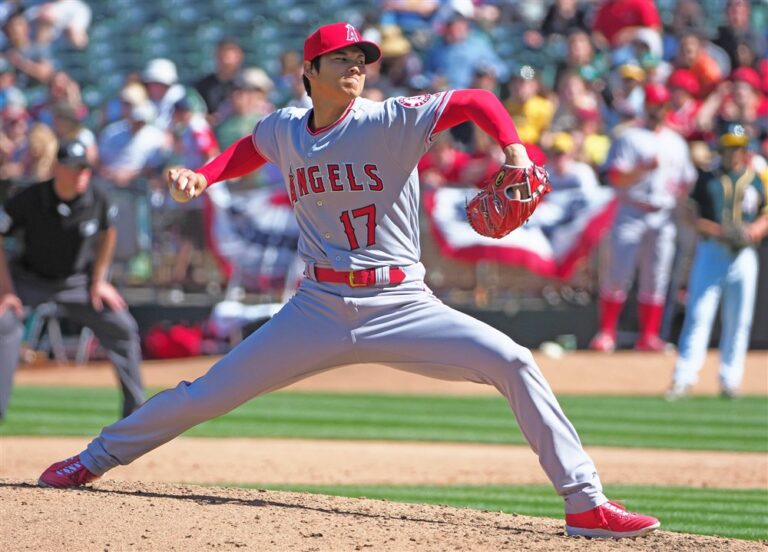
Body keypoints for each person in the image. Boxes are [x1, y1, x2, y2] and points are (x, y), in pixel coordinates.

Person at [37, 22, 660, 540]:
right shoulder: (286, 126)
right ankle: (91, 460)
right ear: (310, 69)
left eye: (363, 58)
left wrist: (516, 153)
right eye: (343, 57)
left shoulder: (388, 118)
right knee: (205, 394)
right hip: (318, 305)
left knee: (516, 361)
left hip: (401, 301)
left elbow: (475, 102)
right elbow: (252, 147)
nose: (357, 65)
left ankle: (585, 504)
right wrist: (204, 175)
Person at [0, 139, 144, 420]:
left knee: (122, 326)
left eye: (85, 169)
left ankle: (136, 416)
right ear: (57, 169)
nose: (81, 175)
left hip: (77, 284)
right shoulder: (29, 198)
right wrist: (6, 290)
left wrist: (99, 280)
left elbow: (109, 233)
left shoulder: (97, 197)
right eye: (74, 168)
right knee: (5, 324)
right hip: (29, 280)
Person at [590, 83, 697, 352]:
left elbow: (686, 181)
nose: (656, 110)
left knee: (657, 277)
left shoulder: (675, 141)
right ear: (645, 106)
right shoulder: (629, 137)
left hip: (663, 213)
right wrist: (642, 169)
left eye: (661, 105)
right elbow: (615, 176)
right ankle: (606, 334)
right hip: (631, 209)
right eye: (652, 105)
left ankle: (649, 337)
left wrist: (678, 197)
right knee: (617, 273)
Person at [666, 125, 768, 400]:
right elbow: (689, 214)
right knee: (699, 314)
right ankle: (683, 378)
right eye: (730, 146)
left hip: (744, 253)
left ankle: (730, 380)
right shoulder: (707, 177)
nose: (734, 152)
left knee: (739, 319)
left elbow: (765, 215)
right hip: (712, 249)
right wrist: (719, 231)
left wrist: (754, 230)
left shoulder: (756, 178)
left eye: (739, 146)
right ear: (721, 147)